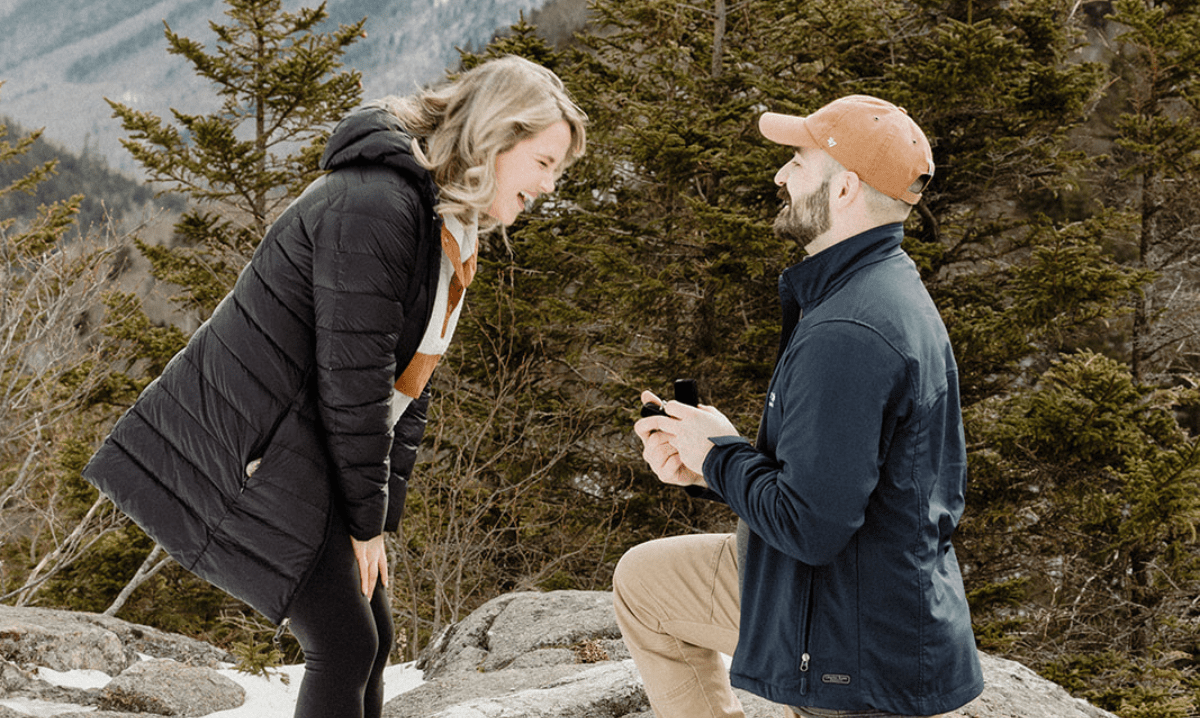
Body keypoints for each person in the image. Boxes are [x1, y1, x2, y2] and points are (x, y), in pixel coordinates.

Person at [83, 55, 586, 718]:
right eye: (545, 162)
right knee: (345, 642)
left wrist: (379, 519)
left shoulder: (443, 225)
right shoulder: (377, 207)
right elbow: (353, 385)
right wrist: (365, 522)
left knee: (369, 641)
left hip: (297, 446)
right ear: (495, 137)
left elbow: (408, 387)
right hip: (244, 450)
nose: (549, 186)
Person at [616, 95, 984, 718]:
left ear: (843, 190)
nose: (780, 176)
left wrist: (720, 460)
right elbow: (835, 482)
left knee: (649, 585)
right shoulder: (875, 288)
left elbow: (811, 529)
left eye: (796, 161)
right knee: (644, 582)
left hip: (855, 644)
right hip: (862, 588)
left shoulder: (850, 330)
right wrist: (713, 456)